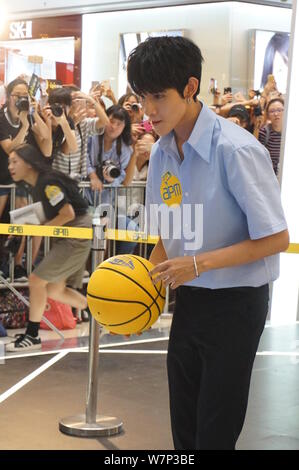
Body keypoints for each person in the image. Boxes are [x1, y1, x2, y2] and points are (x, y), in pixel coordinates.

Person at [127, 36, 289, 450]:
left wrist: (197, 264)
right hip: (191, 301)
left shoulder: (235, 149)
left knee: (215, 431)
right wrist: (137, 286)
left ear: (190, 87)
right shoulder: (161, 152)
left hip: (237, 303)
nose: (148, 111)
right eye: (142, 98)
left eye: (158, 97)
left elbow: (276, 238)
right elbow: (166, 235)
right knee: (184, 427)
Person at [6, 144, 91, 351]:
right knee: (54, 289)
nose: (10, 167)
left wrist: (41, 230)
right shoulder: (36, 185)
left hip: (75, 233)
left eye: (15, 161)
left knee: (36, 280)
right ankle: (101, 308)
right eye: (9, 162)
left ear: (28, 162)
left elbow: (68, 213)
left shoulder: (47, 183)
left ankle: (32, 335)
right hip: (68, 232)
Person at [258, 97, 284, 176]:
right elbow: (260, 158)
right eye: (272, 111)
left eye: (279, 110)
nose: (276, 114)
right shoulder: (264, 132)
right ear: (268, 115)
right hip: (270, 176)